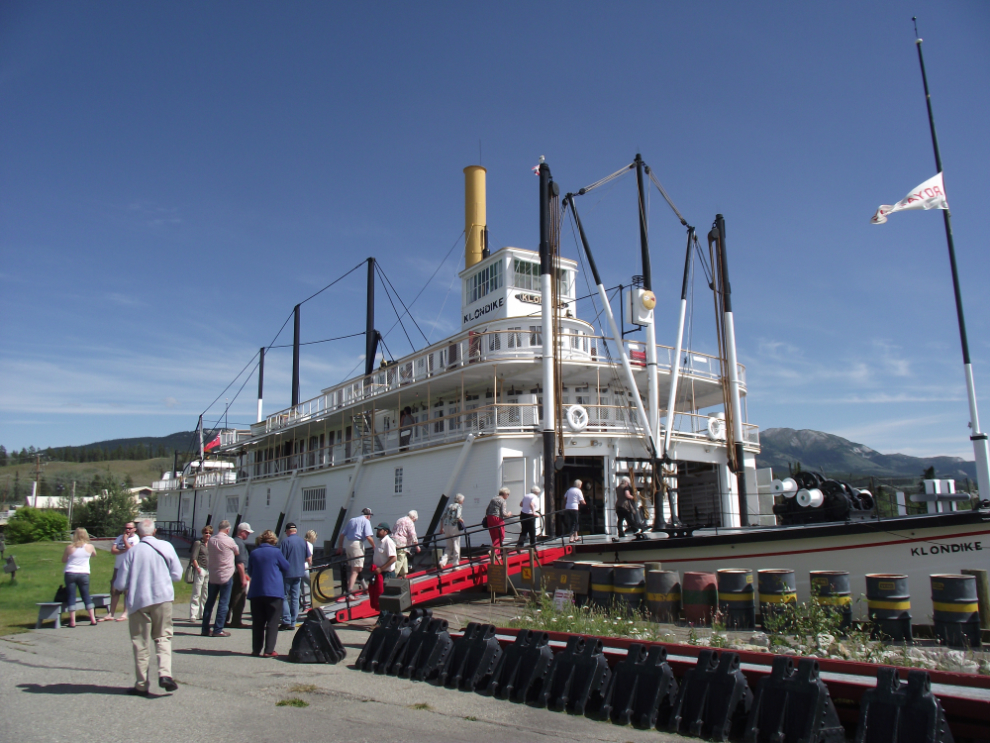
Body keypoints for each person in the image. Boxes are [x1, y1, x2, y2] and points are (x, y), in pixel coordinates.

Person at [114, 519, 182, 696]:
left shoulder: (133, 552)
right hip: (162, 597)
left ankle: (142, 683)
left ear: (138, 532)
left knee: (140, 642)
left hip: (139, 599)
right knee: (163, 636)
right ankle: (165, 673)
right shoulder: (166, 546)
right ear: (155, 531)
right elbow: (177, 575)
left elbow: (120, 583)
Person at [246, 530, 291, 658]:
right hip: (274, 591)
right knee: (272, 621)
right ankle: (269, 649)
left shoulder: (254, 553)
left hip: (257, 591)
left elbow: (250, 571)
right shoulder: (276, 552)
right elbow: (286, 566)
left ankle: (256, 649)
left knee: (258, 622)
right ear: (273, 540)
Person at [201, 519, 239, 638]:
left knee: (209, 602)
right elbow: (237, 552)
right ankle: (218, 628)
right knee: (223, 602)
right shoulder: (229, 541)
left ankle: (205, 628)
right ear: (228, 530)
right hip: (226, 574)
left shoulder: (212, 540)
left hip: (213, 574)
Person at [61, 527, 98, 627]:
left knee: (71, 596)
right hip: (84, 573)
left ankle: (72, 621)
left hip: (70, 572)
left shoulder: (69, 547)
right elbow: (94, 554)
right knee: (85, 595)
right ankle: (93, 619)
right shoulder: (90, 547)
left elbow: (63, 560)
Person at [104, 521, 138, 622]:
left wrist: (125, 540)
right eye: (126, 528)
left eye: (130, 528)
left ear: (134, 529)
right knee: (114, 590)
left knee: (127, 591)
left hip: (129, 567)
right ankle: (111, 613)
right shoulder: (119, 537)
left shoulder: (135, 539)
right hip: (118, 567)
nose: (127, 530)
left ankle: (125, 612)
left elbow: (132, 550)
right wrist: (123, 549)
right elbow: (113, 550)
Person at [336, 507, 375, 594]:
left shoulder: (352, 520)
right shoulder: (366, 521)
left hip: (348, 544)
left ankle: (365, 587)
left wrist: (340, 547)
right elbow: (368, 536)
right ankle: (349, 592)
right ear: (368, 516)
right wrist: (374, 546)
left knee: (358, 568)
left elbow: (342, 535)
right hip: (357, 545)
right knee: (356, 570)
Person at [278, 522, 308, 630]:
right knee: (295, 597)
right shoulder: (303, 542)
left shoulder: (285, 542)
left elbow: (281, 559)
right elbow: (307, 557)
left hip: (287, 573)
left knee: (284, 596)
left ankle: (286, 619)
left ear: (287, 531)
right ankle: (293, 622)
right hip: (299, 572)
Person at [226, 522, 253, 629]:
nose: (248, 535)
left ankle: (225, 619)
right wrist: (243, 577)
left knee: (230, 597)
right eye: (247, 533)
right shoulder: (240, 544)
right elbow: (240, 563)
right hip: (238, 574)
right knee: (239, 598)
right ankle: (236, 621)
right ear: (242, 532)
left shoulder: (233, 541)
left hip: (232, 573)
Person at [368, 522, 396, 611]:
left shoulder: (388, 542)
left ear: (386, 531)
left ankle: (383, 620)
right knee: (379, 597)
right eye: (377, 530)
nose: (378, 531)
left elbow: (393, 558)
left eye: (380, 530)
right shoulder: (379, 541)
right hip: (379, 574)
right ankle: (384, 618)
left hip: (387, 574)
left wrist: (381, 568)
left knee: (384, 598)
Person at [188, 526, 212, 621]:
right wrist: (197, 568)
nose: (208, 535)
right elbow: (194, 557)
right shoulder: (198, 543)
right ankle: (193, 614)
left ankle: (203, 613)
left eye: (209, 533)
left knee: (205, 593)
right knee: (197, 592)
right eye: (206, 533)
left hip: (209, 570)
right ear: (203, 533)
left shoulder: (211, 544)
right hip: (200, 569)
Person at [437, 494, 465, 569]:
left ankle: (442, 562)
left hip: (446, 527)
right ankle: (456, 565)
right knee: (456, 544)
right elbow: (458, 517)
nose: (463, 501)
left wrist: (441, 528)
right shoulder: (459, 506)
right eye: (463, 500)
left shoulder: (450, 506)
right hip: (454, 527)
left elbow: (442, 518)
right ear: (459, 500)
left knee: (448, 547)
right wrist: (462, 520)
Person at [392, 510, 419, 578]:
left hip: (393, 542)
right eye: (415, 520)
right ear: (413, 517)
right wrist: (417, 546)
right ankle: (392, 577)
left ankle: (404, 575)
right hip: (401, 544)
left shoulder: (399, 520)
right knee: (399, 559)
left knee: (404, 558)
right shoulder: (410, 522)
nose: (414, 521)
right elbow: (413, 535)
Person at [485, 487, 512, 553]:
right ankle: (493, 551)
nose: (508, 496)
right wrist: (509, 514)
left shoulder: (493, 499)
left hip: (489, 518)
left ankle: (497, 554)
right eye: (508, 494)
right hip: (497, 519)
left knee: (494, 536)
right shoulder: (502, 501)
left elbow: (487, 510)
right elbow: (503, 513)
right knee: (501, 536)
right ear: (505, 494)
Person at [563, 479, 586, 543]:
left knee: (574, 521)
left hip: (568, 507)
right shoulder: (578, 491)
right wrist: (585, 503)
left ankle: (576, 536)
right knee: (575, 522)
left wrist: (564, 506)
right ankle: (571, 538)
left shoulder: (569, 490)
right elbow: (582, 501)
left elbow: (565, 498)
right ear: (579, 485)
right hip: (574, 507)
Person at [301, 529, 317, 612]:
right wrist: (311, 565)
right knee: (313, 584)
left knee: (302, 586)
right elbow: (309, 558)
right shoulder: (309, 545)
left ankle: (305, 605)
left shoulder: (301, 542)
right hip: (305, 567)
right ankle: (316, 603)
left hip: (297, 567)